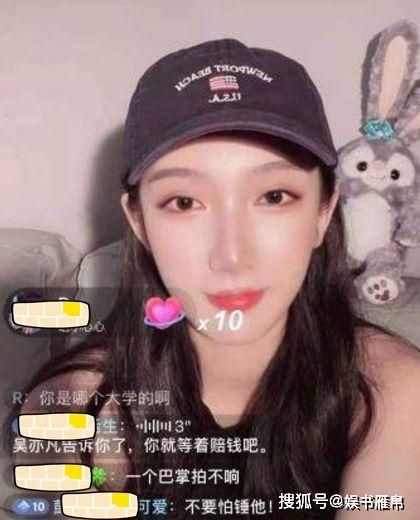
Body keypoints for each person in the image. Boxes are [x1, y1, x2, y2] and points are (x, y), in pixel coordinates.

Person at [7, 38, 420, 519]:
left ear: (323, 212)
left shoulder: (392, 390)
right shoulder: (81, 409)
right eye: (184, 202)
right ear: (139, 223)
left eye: (274, 196)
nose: (232, 256)